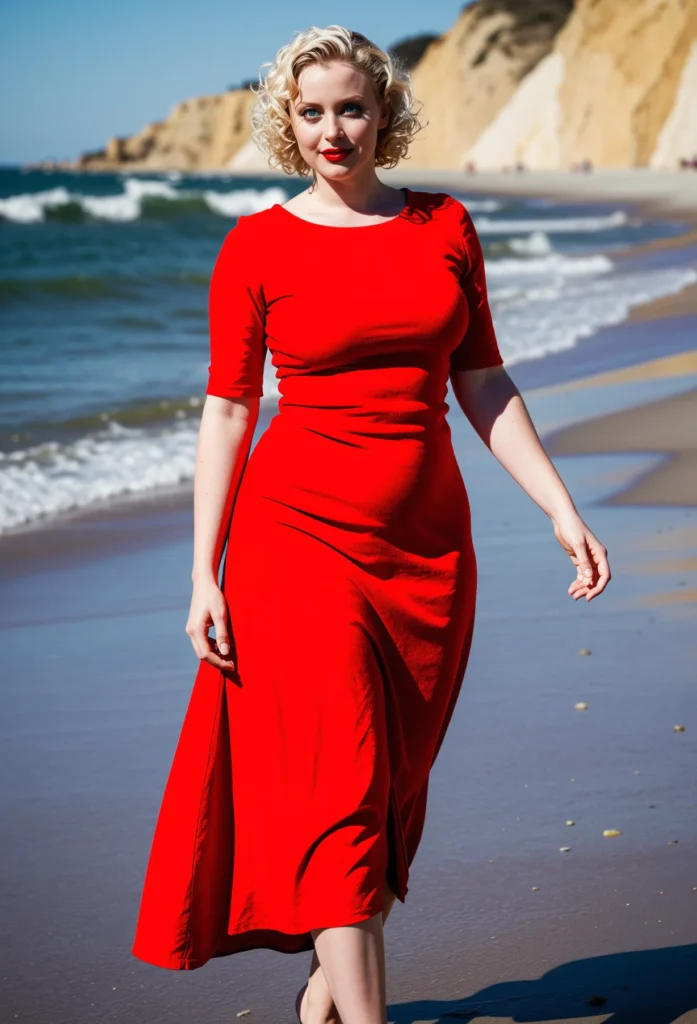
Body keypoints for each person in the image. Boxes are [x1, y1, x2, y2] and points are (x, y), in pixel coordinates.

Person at [131, 25, 611, 1024]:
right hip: (294, 544)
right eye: (310, 113)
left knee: (391, 785)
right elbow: (227, 412)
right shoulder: (256, 245)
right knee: (342, 792)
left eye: (350, 107)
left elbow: (481, 380)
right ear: (287, 121)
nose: (331, 130)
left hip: (428, 549)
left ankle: (326, 990)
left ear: (384, 111)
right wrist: (202, 572)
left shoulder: (442, 226)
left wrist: (561, 509)